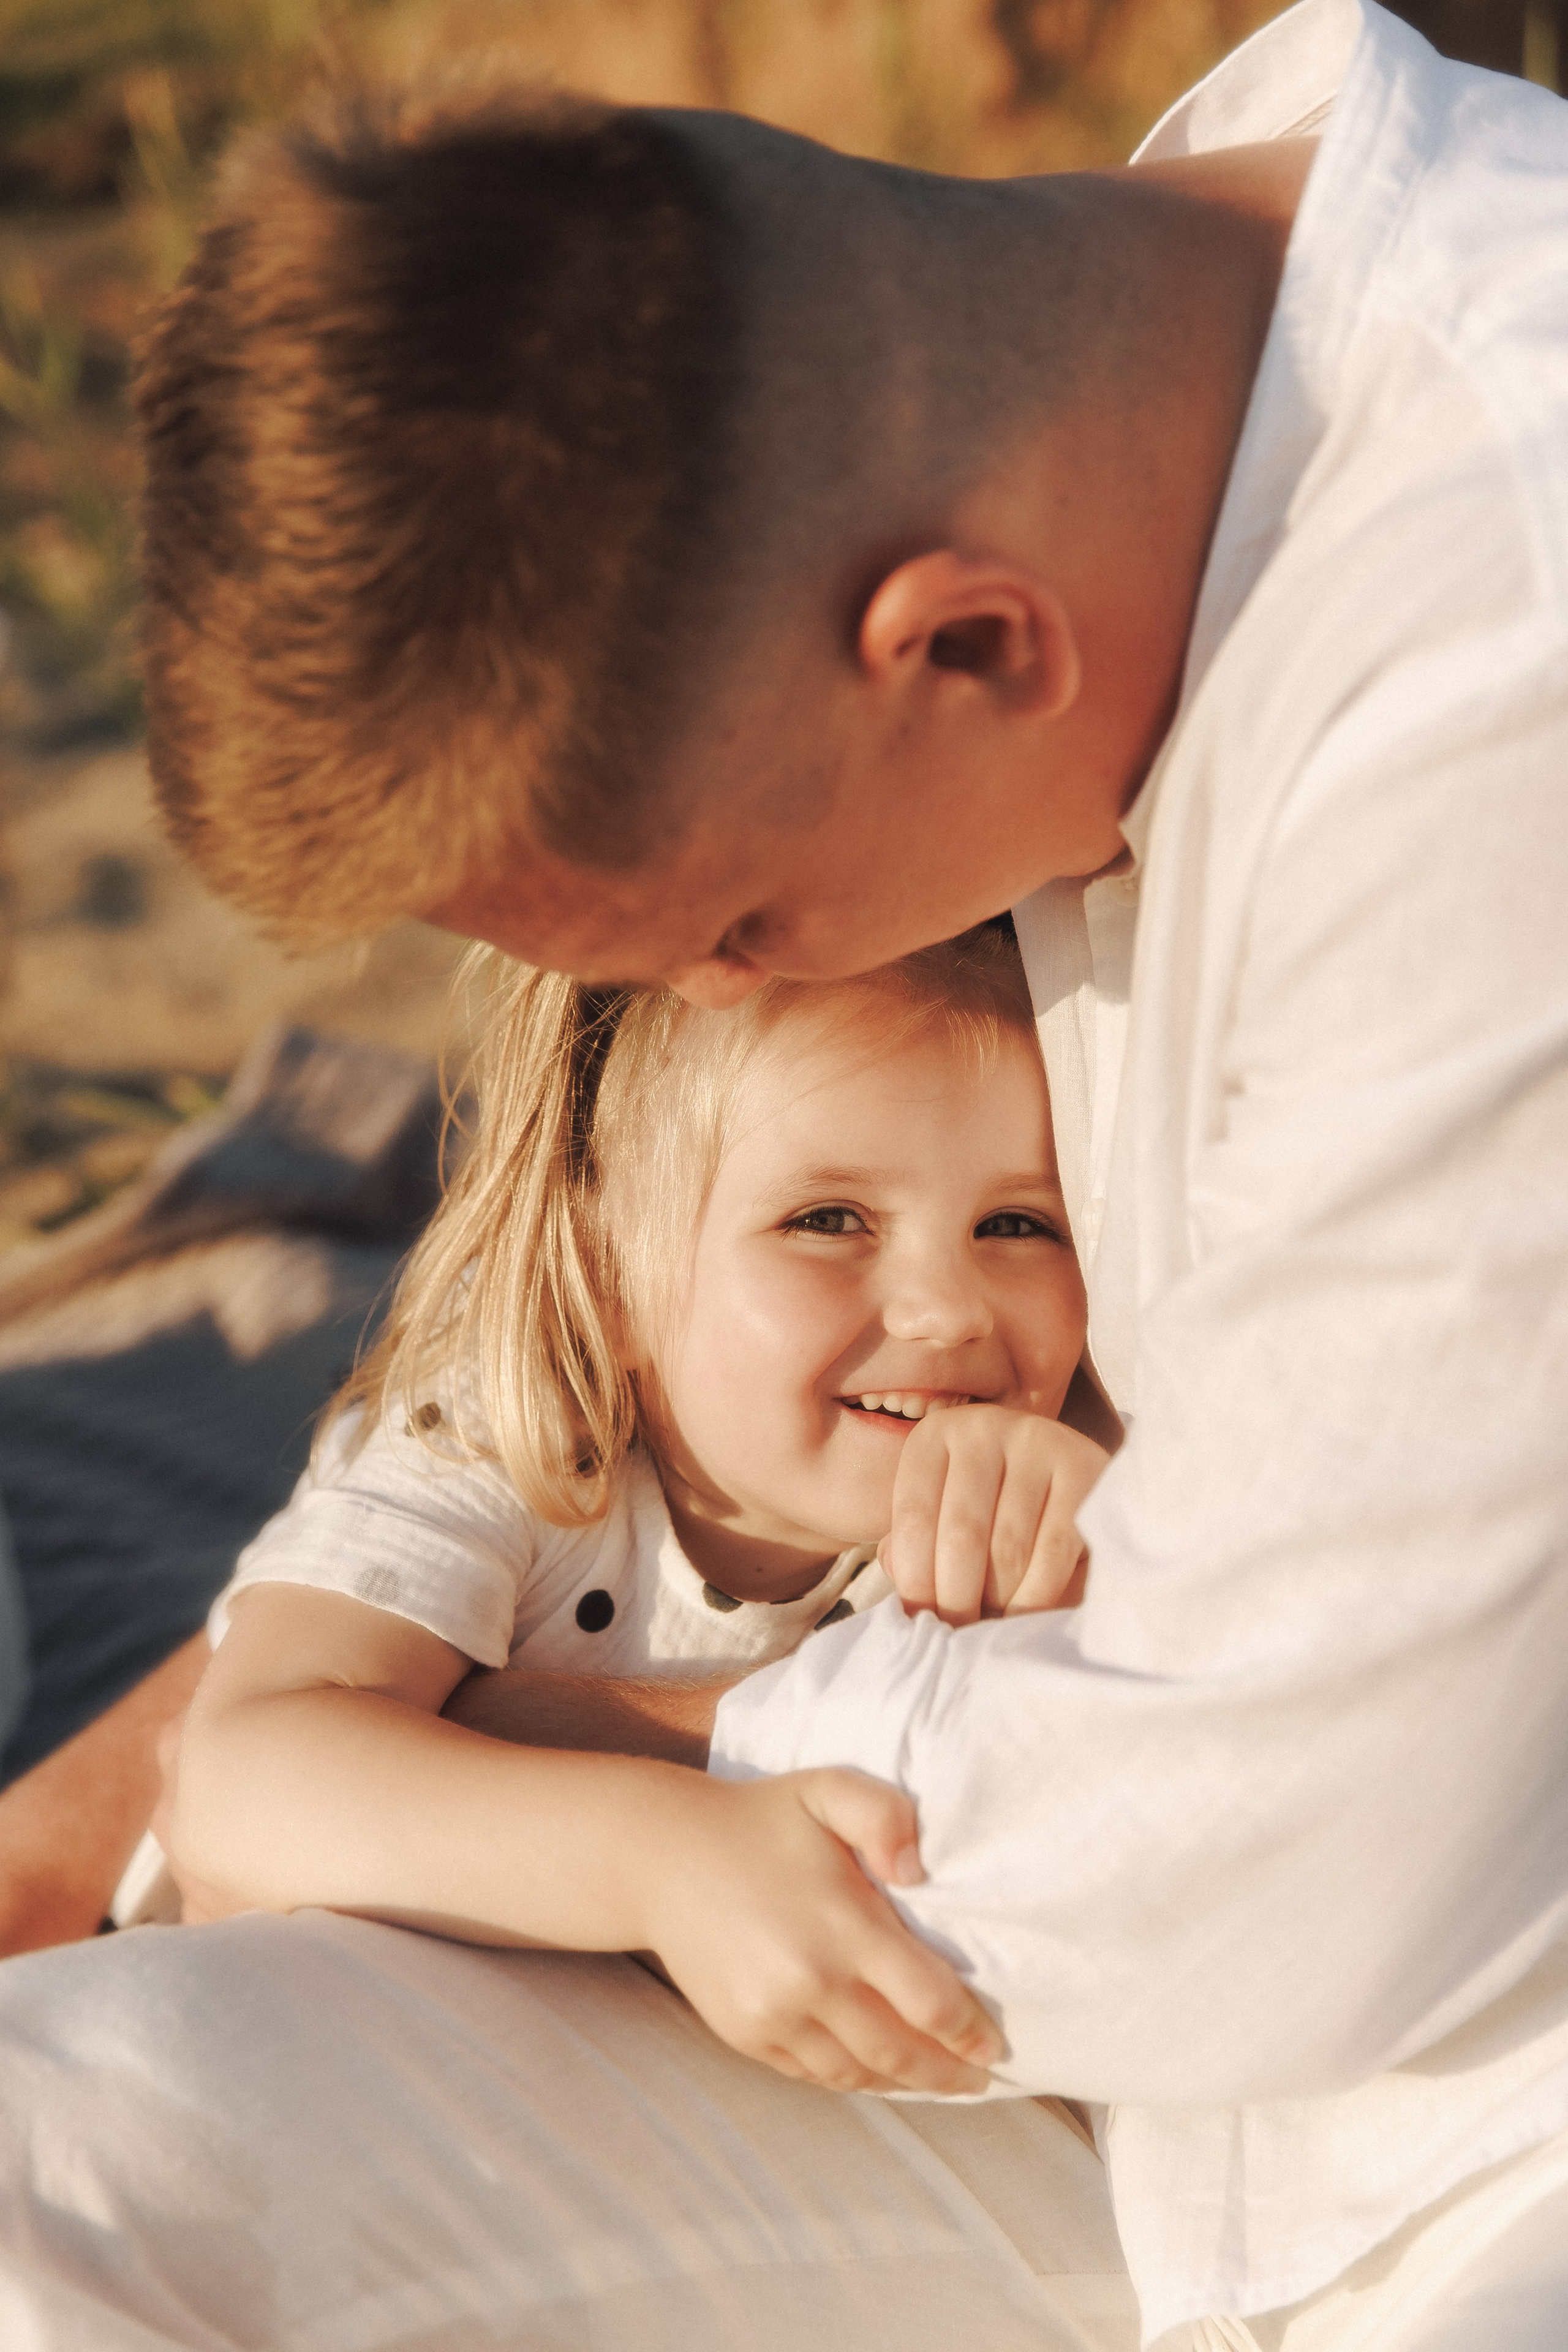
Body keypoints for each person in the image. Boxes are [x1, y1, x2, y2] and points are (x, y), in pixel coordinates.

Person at [1, 0, 1566, 2345]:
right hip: (983, 2038)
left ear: (961, 641)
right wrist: (244, 1762)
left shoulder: (1496, 655)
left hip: (1451, 2136)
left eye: (743, 930)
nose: (736, 1003)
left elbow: (1273, 1854)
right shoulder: (1153, 434)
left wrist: (541, 1742)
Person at [150, 930, 1107, 2100]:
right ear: (609, 1266)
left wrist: (1076, 1590)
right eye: (828, 1219)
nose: (947, 1308)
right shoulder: (514, 1438)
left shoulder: (1052, 1490)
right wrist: (664, 1856)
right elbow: (237, 1776)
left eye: (1018, 1225)